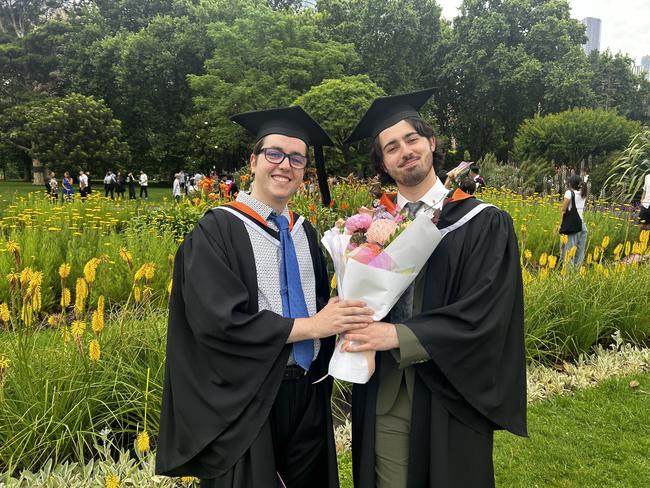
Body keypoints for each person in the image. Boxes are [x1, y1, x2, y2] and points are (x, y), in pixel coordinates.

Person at [156, 106, 373, 487]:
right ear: (253, 160)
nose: (284, 165)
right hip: (250, 396)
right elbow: (218, 320)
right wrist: (313, 325)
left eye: (296, 158)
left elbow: (319, 305)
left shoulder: (306, 233)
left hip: (309, 391)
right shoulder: (216, 231)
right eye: (274, 153)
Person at [342, 89, 527, 488]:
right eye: (391, 147)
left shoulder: (481, 222)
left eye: (411, 139)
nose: (404, 151)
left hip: (452, 390)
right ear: (384, 164)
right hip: (387, 386)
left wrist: (395, 334)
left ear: (431, 143)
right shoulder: (369, 227)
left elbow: (488, 312)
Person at [560, 174, 588, 266]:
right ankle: (577, 274)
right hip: (582, 225)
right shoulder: (583, 193)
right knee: (580, 251)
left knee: (569, 251)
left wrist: (561, 224)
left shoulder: (569, 193)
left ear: (571, 183)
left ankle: (567, 275)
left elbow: (564, 209)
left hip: (573, 225)